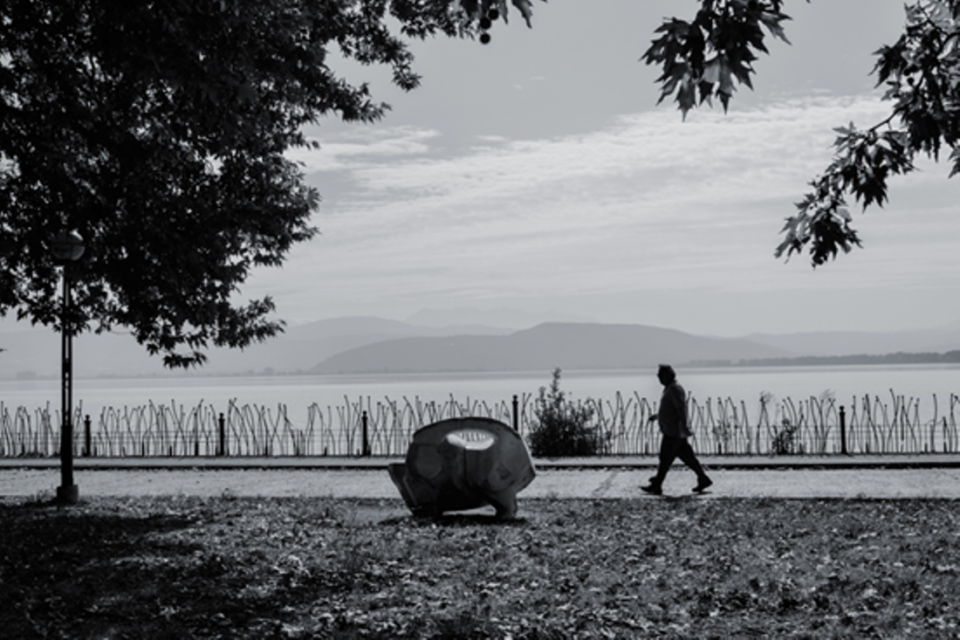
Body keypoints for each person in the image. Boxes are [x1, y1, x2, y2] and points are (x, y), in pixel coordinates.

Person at [640, 364, 712, 495]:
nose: (658, 378)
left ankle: (657, 484)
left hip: (674, 432)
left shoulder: (674, 389)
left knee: (665, 458)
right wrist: (658, 416)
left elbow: (681, 409)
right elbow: (671, 409)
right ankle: (703, 478)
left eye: (660, 375)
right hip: (673, 431)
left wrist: (684, 426)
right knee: (687, 457)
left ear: (668, 375)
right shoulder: (670, 388)